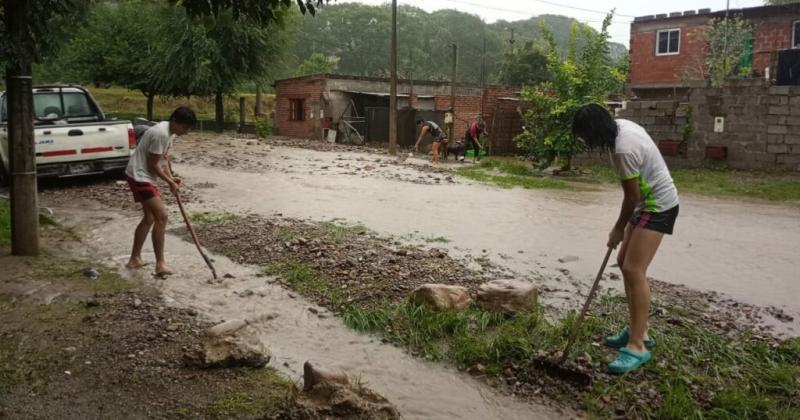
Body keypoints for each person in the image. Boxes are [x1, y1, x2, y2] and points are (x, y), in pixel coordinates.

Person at [572, 103, 679, 375]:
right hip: (646, 204)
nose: (585, 141)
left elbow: (630, 198)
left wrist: (618, 229)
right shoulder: (621, 126)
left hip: (657, 205)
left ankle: (637, 346)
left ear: (595, 131)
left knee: (634, 269)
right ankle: (638, 330)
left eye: (585, 135)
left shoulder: (623, 149)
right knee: (623, 262)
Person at [125, 107, 197, 277]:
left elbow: (164, 158)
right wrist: (169, 182)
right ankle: (160, 264)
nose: (186, 132)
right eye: (185, 128)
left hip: (144, 176)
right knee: (162, 216)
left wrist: (172, 178)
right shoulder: (160, 134)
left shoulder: (169, 132)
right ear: (175, 122)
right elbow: (153, 164)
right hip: (139, 176)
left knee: (150, 217)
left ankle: (134, 259)